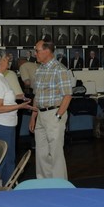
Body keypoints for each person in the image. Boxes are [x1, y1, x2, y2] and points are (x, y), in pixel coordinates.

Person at [0, 49, 34, 184]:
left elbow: (2, 98)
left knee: (8, 160)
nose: (9, 60)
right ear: (0, 61)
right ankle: (5, 189)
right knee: (5, 162)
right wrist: (20, 106)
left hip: (4, 125)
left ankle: (7, 187)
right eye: (6, 58)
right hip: (1, 126)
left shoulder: (0, 77)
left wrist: (19, 97)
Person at [29, 40, 74, 179]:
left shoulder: (60, 69)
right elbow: (37, 96)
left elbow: (67, 96)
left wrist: (58, 116)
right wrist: (33, 117)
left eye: (37, 51)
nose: (35, 54)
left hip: (54, 114)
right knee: (41, 153)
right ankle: (44, 183)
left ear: (47, 51)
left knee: (55, 153)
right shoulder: (39, 70)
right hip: (40, 115)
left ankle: (60, 184)